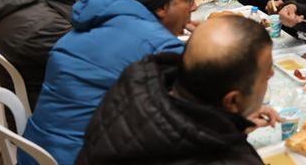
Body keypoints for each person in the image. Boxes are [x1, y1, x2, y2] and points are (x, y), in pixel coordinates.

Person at [22, 0, 194, 165]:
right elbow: (200, 111)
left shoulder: (95, 19)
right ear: (161, 6)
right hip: (81, 156)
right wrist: (203, 48)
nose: (194, 6)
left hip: (36, 151)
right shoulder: (159, 46)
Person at [77, 15, 277, 164]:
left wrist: (230, 123)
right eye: (266, 73)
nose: (272, 75)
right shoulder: (235, 159)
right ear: (232, 101)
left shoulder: (138, 82)